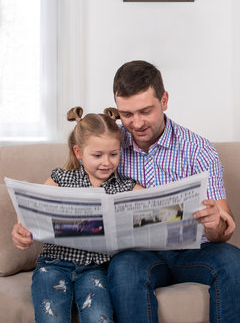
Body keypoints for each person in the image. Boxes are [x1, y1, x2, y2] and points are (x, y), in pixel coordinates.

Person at [106, 60, 240, 323]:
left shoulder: (198, 149)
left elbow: (223, 230)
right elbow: (71, 175)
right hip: (138, 253)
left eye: (146, 111)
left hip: (193, 250)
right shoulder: (111, 145)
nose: (136, 123)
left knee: (234, 262)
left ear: (164, 100)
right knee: (122, 270)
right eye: (126, 114)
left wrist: (214, 223)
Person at [11, 106, 143, 323]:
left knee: (99, 318)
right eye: (98, 155)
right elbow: (32, 207)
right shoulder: (61, 178)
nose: (106, 162)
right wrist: (21, 228)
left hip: (95, 269)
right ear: (79, 152)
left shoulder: (126, 186)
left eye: (114, 154)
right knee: (51, 318)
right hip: (53, 264)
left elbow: (155, 206)